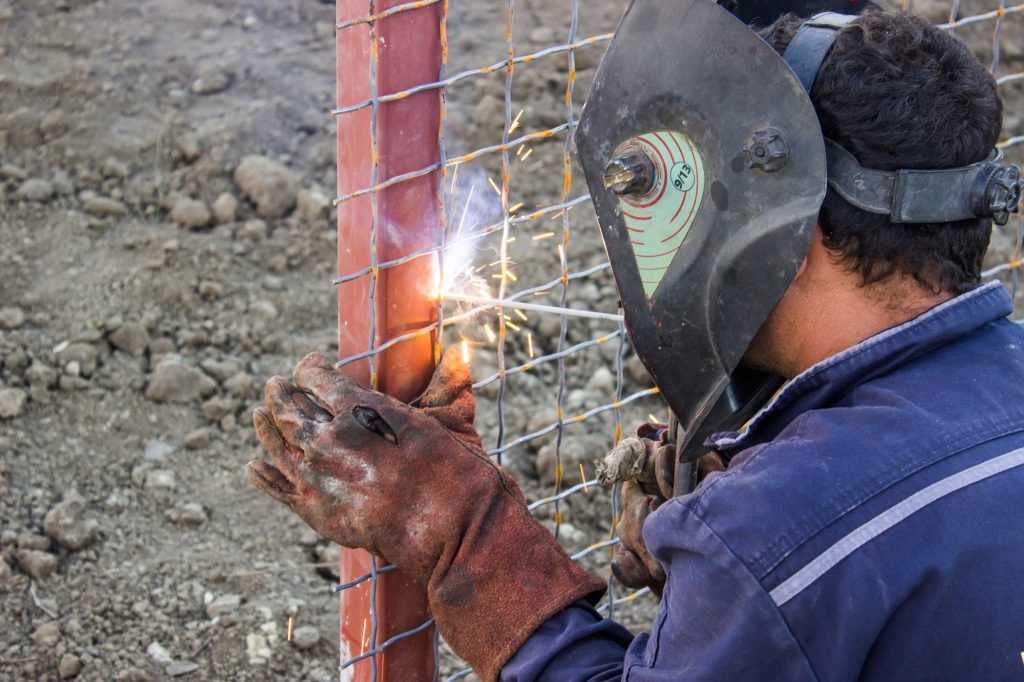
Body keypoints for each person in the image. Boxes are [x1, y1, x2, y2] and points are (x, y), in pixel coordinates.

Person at [245, 7, 1024, 681]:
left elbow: (815, 543)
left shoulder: (778, 531)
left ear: (785, 219)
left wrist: (460, 527)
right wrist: (733, 591)